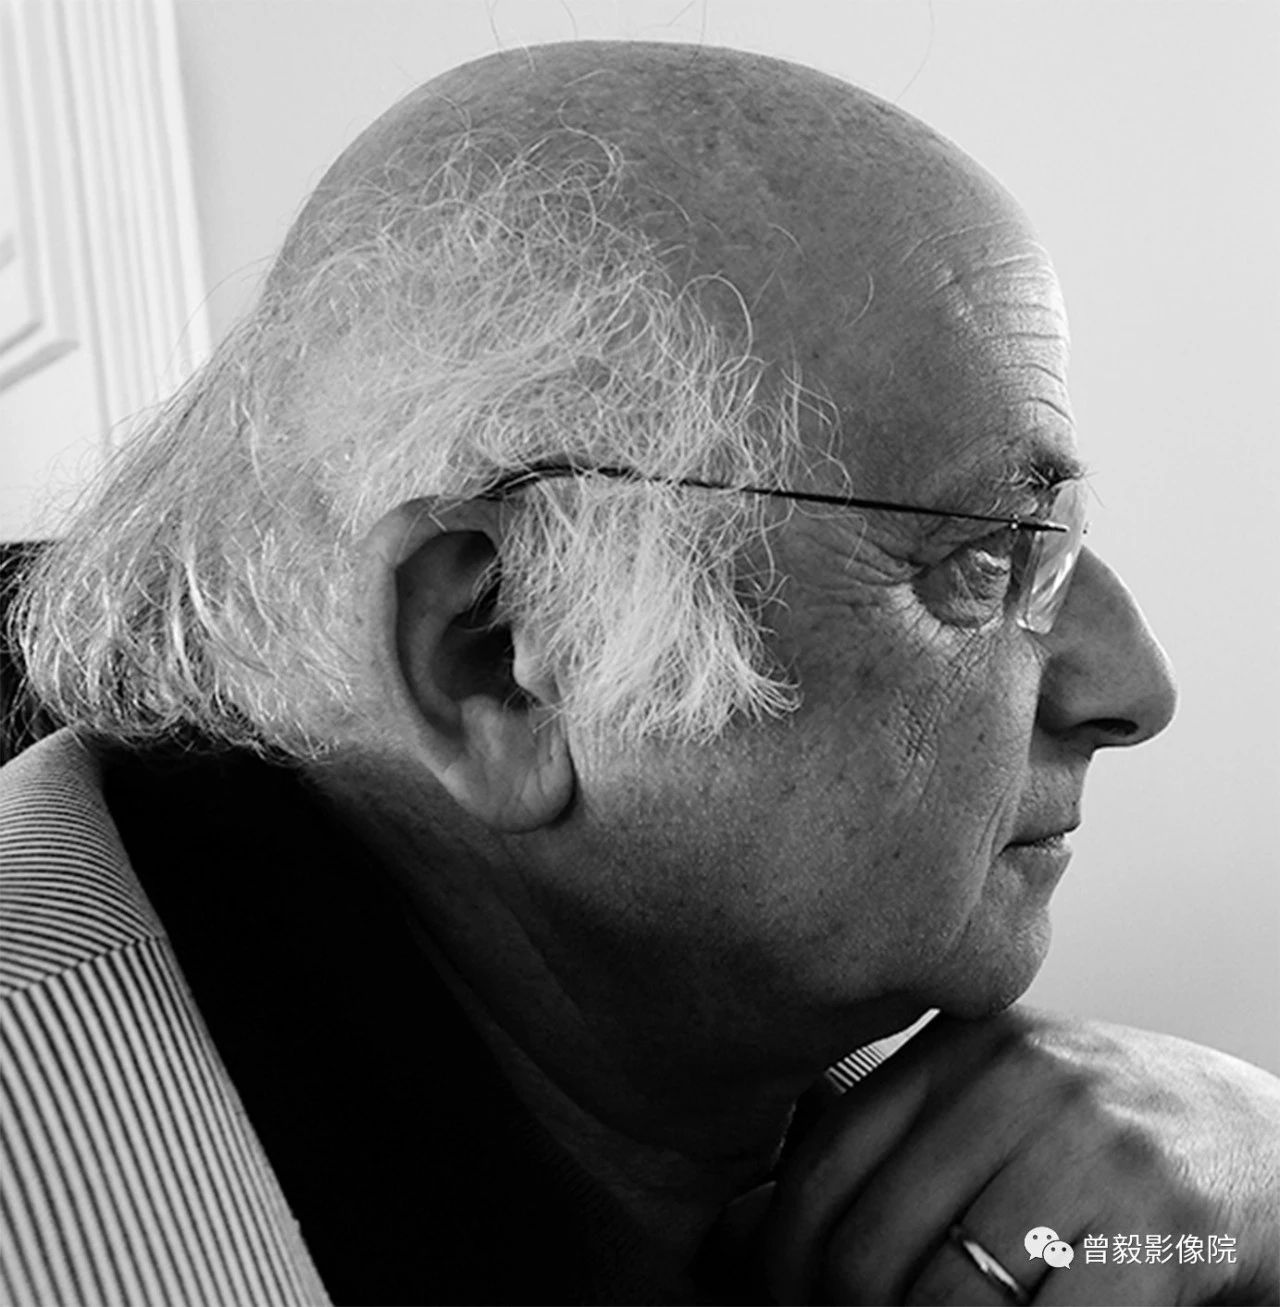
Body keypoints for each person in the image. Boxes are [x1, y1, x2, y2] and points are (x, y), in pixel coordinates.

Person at [1, 40, 1276, 1307]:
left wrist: (1258, 1173)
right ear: (498, 650)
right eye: (983, 553)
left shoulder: (703, 1026)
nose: (1133, 688)